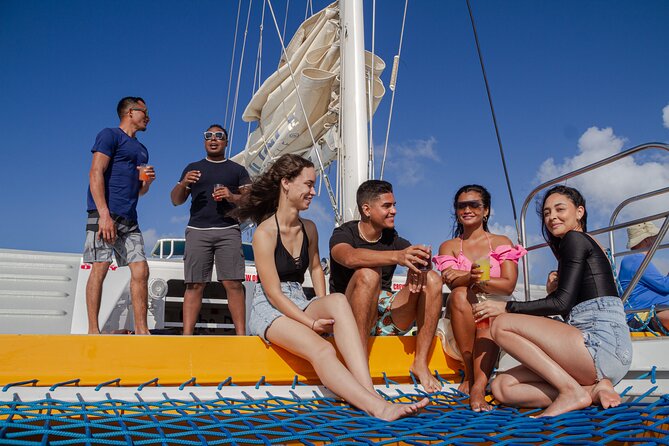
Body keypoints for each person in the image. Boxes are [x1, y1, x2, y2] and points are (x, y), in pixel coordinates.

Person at [238, 154, 428, 420]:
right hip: (269, 308)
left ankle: (369, 390)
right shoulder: (265, 233)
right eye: (308, 184)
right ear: (286, 184)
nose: (313, 192)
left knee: (338, 300)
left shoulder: (310, 228)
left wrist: (321, 304)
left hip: (299, 298)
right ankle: (378, 407)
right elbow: (273, 293)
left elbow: (316, 269)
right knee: (323, 349)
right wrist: (311, 323)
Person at [474, 185, 632, 417]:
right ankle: (590, 390)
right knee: (502, 387)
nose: (552, 217)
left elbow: (561, 304)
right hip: (596, 351)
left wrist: (505, 306)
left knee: (501, 324)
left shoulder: (574, 239)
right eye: (547, 213)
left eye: (559, 209)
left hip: (600, 346)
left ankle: (570, 391)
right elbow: (567, 304)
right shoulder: (582, 242)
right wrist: (552, 293)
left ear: (579, 212)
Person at [329, 180, 443, 393]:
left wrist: (421, 263)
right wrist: (397, 257)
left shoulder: (393, 238)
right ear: (367, 209)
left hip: (385, 314)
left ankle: (420, 363)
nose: (394, 211)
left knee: (433, 278)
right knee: (368, 274)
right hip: (348, 315)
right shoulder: (345, 233)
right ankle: (358, 368)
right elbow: (348, 257)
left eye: (394, 205)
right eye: (387, 206)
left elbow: (413, 258)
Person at [433, 185, 526, 411]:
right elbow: (452, 283)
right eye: (461, 206)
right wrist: (472, 279)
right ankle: (471, 371)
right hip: (463, 315)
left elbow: (507, 285)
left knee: (488, 312)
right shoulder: (449, 246)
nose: (467, 209)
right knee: (460, 295)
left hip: (496, 309)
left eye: (474, 204)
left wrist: (468, 277)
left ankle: (477, 386)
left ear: (486, 211)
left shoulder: (501, 241)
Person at [170, 125, 251, 335]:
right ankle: (187, 337)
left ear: (226, 141)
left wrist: (231, 196)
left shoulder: (237, 170)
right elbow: (176, 201)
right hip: (198, 231)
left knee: (233, 283)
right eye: (208, 136)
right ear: (204, 141)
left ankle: (241, 337)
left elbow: (251, 199)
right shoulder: (192, 168)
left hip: (229, 230)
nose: (213, 139)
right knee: (194, 284)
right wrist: (183, 183)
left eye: (219, 136)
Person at [84, 96, 155, 335]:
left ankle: (142, 331)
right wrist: (103, 214)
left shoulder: (142, 149)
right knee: (100, 268)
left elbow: (139, 191)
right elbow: (95, 172)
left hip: (129, 219)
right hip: (105, 213)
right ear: (129, 112)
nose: (148, 117)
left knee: (141, 270)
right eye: (144, 112)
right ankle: (93, 331)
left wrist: (146, 184)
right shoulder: (110, 135)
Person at [619, 221, 669, 330]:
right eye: (656, 238)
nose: (658, 241)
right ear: (647, 240)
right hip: (640, 317)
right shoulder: (635, 259)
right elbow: (666, 286)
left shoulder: (634, 259)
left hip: (653, 312)